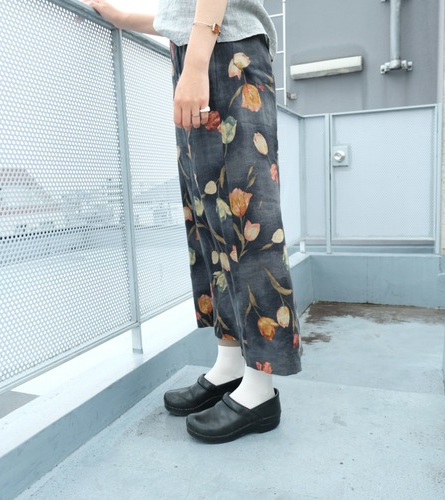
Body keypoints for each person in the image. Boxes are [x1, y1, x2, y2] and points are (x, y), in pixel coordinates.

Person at [81, 0, 302, 443]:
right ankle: (231, 365)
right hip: (201, 48)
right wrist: (127, 19)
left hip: (227, 53)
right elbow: (181, 12)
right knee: (209, 221)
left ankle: (260, 390)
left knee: (247, 218)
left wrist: (197, 64)